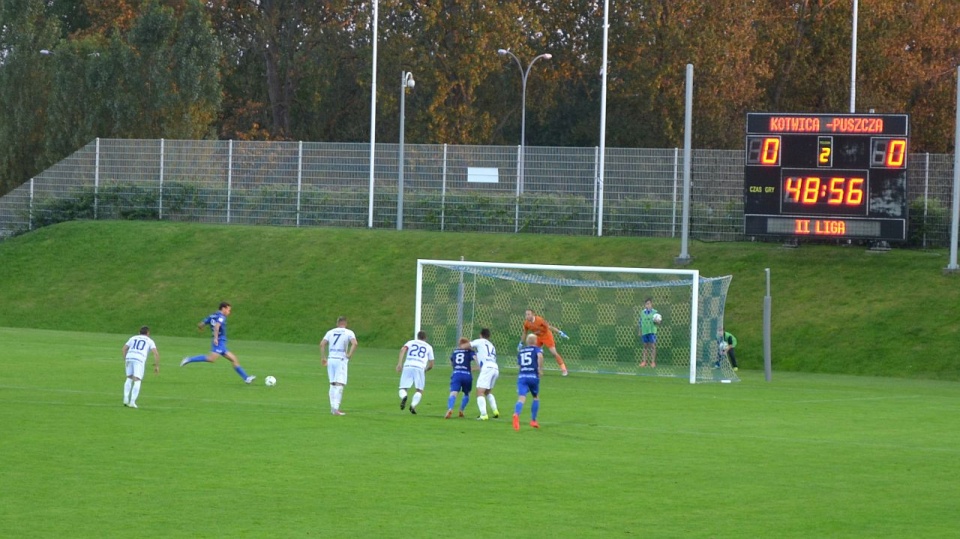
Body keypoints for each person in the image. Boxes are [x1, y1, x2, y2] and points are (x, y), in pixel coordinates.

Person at [180, 301, 256, 384]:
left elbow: (201, 324)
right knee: (211, 359)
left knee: (234, 359)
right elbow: (217, 326)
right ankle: (188, 359)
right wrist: (216, 338)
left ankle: (246, 378)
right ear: (223, 308)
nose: (229, 312)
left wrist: (201, 328)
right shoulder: (221, 316)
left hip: (221, 343)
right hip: (219, 342)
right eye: (228, 310)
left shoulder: (212, 315)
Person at [320, 316, 359, 416]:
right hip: (340, 360)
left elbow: (322, 344)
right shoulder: (348, 332)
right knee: (340, 384)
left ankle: (332, 407)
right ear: (345, 323)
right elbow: (355, 343)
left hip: (331, 359)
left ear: (337, 323)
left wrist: (323, 357)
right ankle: (336, 409)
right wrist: (349, 355)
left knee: (332, 383)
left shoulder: (330, 332)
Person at [397, 330, 435, 415]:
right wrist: (425, 370)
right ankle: (413, 405)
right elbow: (432, 364)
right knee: (419, 390)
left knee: (403, 388)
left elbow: (403, 349)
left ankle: (404, 396)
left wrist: (399, 363)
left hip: (408, 366)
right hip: (420, 367)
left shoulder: (411, 342)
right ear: (425, 338)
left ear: (417, 336)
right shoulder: (429, 347)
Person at [521, 309, 568, 376]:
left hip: (547, 336)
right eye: (526, 314)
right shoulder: (526, 323)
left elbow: (549, 327)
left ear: (533, 314)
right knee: (535, 353)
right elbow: (525, 333)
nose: (527, 316)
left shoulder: (539, 320)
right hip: (537, 338)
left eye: (529, 314)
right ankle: (537, 370)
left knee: (554, 353)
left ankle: (564, 369)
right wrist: (521, 343)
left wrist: (559, 332)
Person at [122, 326, 160, 408]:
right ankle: (132, 402)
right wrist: (156, 366)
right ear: (148, 333)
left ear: (139, 332)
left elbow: (124, 349)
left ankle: (125, 399)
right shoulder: (150, 341)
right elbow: (156, 353)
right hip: (139, 359)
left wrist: (125, 359)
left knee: (129, 378)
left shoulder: (133, 338)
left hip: (129, 357)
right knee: (137, 380)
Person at [513, 333, 544, 431]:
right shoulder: (537, 349)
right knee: (535, 397)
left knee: (521, 398)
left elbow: (519, 365)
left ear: (527, 341)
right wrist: (539, 369)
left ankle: (516, 414)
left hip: (522, 376)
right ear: (535, 342)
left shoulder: (521, 351)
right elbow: (540, 356)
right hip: (533, 376)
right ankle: (533, 420)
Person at [471, 327, 501, 420]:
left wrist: (461, 347)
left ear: (481, 335)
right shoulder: (491, 345)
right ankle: (495, 411)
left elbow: (468, 344)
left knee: (479, 392)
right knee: (488, 392)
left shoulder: (480, 341)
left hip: (487, 368)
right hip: (495, 368)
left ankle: (483, 414)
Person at [445, 337, 477, 419]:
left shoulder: (455, 352)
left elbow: (452, 363)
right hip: (467, 374)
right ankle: (461, 410)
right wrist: (477, 367)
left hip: (456, 373)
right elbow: (476, 359)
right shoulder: (470, 352)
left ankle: (450, 409)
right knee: (467, 393)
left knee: (453, 393)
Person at [637, 298, 660, 368]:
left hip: (652, 331)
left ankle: (653, 362)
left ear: (651, 304)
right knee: (645, 346)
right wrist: (639, 330)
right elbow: (640, 322)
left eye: (649, 304)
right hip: (644, 331)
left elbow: (659, 321)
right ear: (645, 305)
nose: (647, 305)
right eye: (646, 304)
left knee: (652, 346)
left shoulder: (655, 312)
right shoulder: (642, 312)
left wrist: (658, 321)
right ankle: (644, 362)